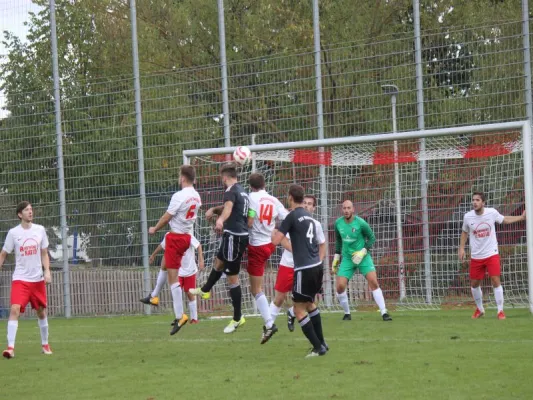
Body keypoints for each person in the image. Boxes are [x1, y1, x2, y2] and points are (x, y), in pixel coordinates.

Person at [190, 163, 250, 334]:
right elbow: (229, 208)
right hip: (236, 235)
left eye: (221, 178)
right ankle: (205, 289)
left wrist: (220, 220)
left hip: (234, 236)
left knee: (232, 279)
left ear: (225, 177)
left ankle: (238, 318)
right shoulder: (242, 191)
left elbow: (229, 208)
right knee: (218, 262)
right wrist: (215, 211)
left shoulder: (230, 191)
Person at [272, 185, 328, 358]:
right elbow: (321, 242)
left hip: (303, 269)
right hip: (317, 266)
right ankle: (323, 343)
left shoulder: (291, 217)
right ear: (302, 199)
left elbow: (276, 241)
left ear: (290, 198)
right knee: (310, 304)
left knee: (298, 310)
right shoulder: (311, 218)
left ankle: (318, 347)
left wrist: (273, 231)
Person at [148, 165, 202, 334]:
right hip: (186, 237)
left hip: (175, 237)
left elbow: (167, 216)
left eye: (180, 176)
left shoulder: (179, 196)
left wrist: (155, 228)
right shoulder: (197, 197)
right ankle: (154, 296)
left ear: (183, 178)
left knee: (173, 280)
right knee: (164, 266)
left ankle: (180, 316)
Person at [459, 191, 526, 320]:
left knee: (495, 280)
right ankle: (479, 309)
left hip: (491, 253)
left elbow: (505, 219)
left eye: (478, 200)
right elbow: (464, 232)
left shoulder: (491, 213)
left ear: (483, 203)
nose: (475, 202)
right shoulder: (468, 217)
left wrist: (521, 217)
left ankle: (500, 311)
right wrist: (461, 248)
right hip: (476, 256)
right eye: (473, 200)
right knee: (474, 284)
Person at [0, 201, 52, 359]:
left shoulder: (40, 230)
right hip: (20, 279)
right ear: (19, 214)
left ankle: (45, 344)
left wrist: (47, 271)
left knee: (41, 312)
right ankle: (10, 348)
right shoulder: (13, 233)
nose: (30, 212)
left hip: (37, 280)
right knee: (15, 309)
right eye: (26, 210)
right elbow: (3, 253)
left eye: (31, 209)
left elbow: (44, 253)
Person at [332, 200, 392, 321]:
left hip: (363, 257)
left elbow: (372, 238)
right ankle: (347, 313)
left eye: (349, 208)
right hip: (348, 258)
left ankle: (384, 312)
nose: (346, 210)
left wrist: (363, 251)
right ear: (341, 210)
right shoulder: (338, 223)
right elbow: (338, 241)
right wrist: (336, 257)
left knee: (373, 282)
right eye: (344, 208)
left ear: (353, 209)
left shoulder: (361, 223)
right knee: (340, 286)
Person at [247, 172, 288, 343]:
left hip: (256, 246)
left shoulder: (251, 198)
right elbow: (286, 217)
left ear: (251, 186)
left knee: (256, 290)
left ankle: (270, 324)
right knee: (258, 287)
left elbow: (249, 222)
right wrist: (278, 234)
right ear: (264, 185)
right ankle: (276, 319)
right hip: (269, 245)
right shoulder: (273, 199)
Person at [140, 233, 205, 325]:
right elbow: (162, 245)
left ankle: (194, 318)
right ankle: (179, 317)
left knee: (189, 293)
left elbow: (198, 245)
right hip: (177, 270)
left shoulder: (187, 235)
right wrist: (153, 255)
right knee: (176, 293)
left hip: (189, 270)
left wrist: (201, 260)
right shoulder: (169, 235)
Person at [284, 195, 325, 332]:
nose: (307, 206)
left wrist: (318, 262)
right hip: (287, 263)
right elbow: (284, 237)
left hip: (305, 267)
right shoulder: (294, 218)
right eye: (305, 203)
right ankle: (269, 325)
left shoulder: (316, 224)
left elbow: (322, 245)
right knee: (280, 297)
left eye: (310, 204)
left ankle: (291, 312)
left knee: (307, 302)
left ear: (314, 208)